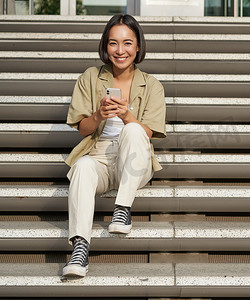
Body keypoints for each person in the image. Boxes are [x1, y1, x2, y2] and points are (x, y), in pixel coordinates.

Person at [62, 14, 166, 278]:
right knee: (83, 166)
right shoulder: (90, 77)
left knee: (132, 129)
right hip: (99, 157)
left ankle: (122, 209)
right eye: (113, 43)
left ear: (138, 46)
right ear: (105, 46)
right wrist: (99, 115)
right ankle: (80, 249)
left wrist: (125, 115)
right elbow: (81, 128)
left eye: (128, 43)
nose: (120, 51)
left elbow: (149, 133)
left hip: (133, 162)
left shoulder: (152, 85)